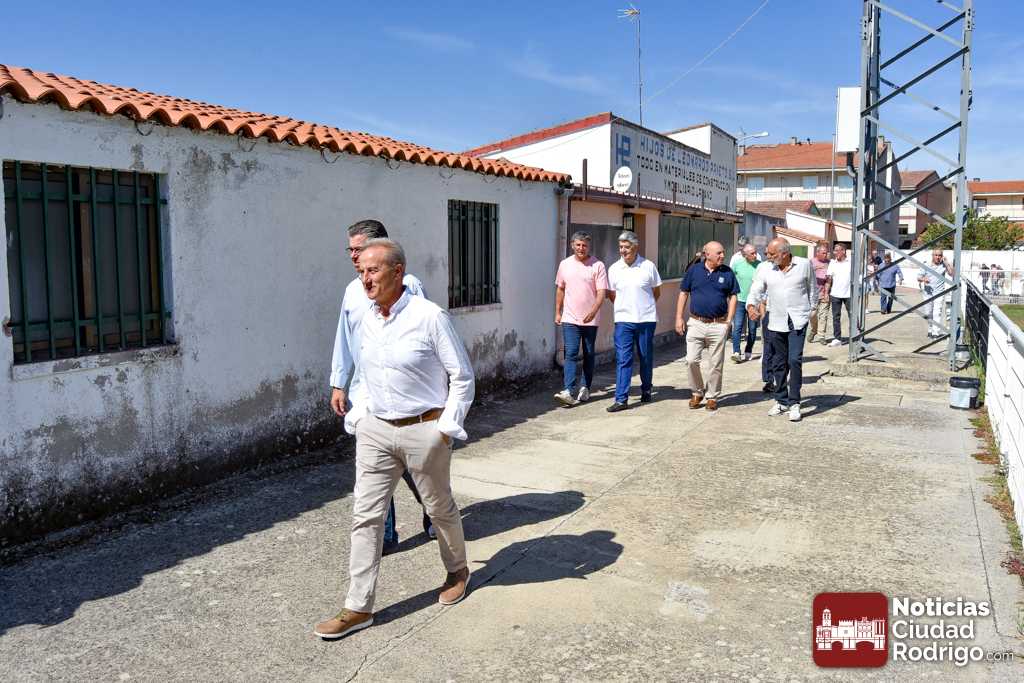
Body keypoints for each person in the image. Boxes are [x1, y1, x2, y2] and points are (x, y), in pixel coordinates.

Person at [315, 239, 475, 640]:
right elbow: (366, 373)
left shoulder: (429, 316)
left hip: (425, 428)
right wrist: (360, 415)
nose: (365, 279)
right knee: (365, 516)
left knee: (438, 508)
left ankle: (457, 570)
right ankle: (358, 607)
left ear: (398, 271)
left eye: (373, 271)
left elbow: (462, 376)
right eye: (360, 272)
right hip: (376, 430)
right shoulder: (366, 319)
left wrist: (445, 428)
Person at [330, 220, 433, 554]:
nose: (353, 256)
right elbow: (344, 337)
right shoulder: (352, 291)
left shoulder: (410, 286)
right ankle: (384, 535)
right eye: (350, 250)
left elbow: (427, 340)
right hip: (366, 396)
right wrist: (339, 382)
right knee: (374, 468)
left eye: (358, 249)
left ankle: (435, 513)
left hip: (404, 395)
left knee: (415, 466)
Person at [747, 238, 817, 422]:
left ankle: (794, 403)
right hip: (776, 319)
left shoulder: (803, 265)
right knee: (778, 362)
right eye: (767, 253)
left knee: (794, 360)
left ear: (784, 254)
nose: (768, 256)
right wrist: (751, 305)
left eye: (772, 254)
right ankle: (781, 400)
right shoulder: (765, 268)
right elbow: (756, 288)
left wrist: (812, 310)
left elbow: (812, 289)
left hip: (797, 319)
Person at [676, 241, 739, 411]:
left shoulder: (727, 272)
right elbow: (683, 293)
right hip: (696, 323)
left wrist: (729, 320)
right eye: (719, 253)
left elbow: (733, 296)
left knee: (716, 363)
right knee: (691, 360)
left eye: (723, 252)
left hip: (718, 324)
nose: (722, 255)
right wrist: (678, 318)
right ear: (707, 254)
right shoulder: (694, 271)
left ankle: (712, 396)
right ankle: (697, 392)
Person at [606, 231, 662, 412]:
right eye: (620, 247)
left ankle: (646, 389)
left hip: (646, 320)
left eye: (626, 247)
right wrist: (625, 308)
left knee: (645, 356)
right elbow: (612, 294)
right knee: (623, 358)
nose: (623, 250)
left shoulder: (648, 266)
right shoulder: (614, 269)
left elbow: (656, 292)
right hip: (623, 320)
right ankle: (621, 399)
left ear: (635, 247)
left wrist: (643, 307)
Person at [554, 231, 609, 407]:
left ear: (589, 246)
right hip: (570, 318)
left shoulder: (598, 265)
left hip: (590, 319)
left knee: (588, 353)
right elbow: (560, 289)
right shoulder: (565, 265)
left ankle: (585, 386)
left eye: (584, 245)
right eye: (578, 244)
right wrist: (558, 312)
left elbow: (602, 292)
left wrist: (593, 311)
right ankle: (568, 390)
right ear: (572, 245)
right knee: (570, 352)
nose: (581, 248)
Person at [730, 244, 760, 363]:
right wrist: (731, 294)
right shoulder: (737, 264)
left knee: (752, 329)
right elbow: (731, 279)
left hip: (754, 302)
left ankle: (748, 350)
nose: (755, 255)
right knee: (737, 326)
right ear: (745, 254)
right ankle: (736, 352)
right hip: (740, 300)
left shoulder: (760, 265)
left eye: (755, 252)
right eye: (752, 253)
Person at [918, 249, 954, 338]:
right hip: (928, 293)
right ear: (932, 255)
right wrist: (924, 279)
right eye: (936, 255)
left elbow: (952, 274)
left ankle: (935, 332)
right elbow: (918, 277)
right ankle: (930, 328)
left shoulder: (943, 265)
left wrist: (947, 263)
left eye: (940, 255)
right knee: (928, 313)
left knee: (937, 312)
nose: (938, 257)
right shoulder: (926, 264)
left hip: (939, 292)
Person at [825, 243, 852, 347]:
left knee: (853, 316)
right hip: (835, 294)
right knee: (836, 317)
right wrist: (826, 293)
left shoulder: (851, 262)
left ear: (843, 251)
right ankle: (837, 338)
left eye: (837, 250)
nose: (835, 252)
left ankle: (856, 336)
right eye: (834, 250)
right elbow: (829, 279)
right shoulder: (832, 263)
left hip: (849, 294)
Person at [808, 242, 831, 344]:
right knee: (812, 315)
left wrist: (826, 293)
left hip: (824, 292)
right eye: (823, 253)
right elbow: (806, 276)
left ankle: (821, 336)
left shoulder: (829, 263)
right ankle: (814, 330)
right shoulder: (811, 262)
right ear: (817, 253)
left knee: (823, 315)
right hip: (813, 294)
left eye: (826, 253)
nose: (825, 255)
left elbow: (829, 279)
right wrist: (815, 269)